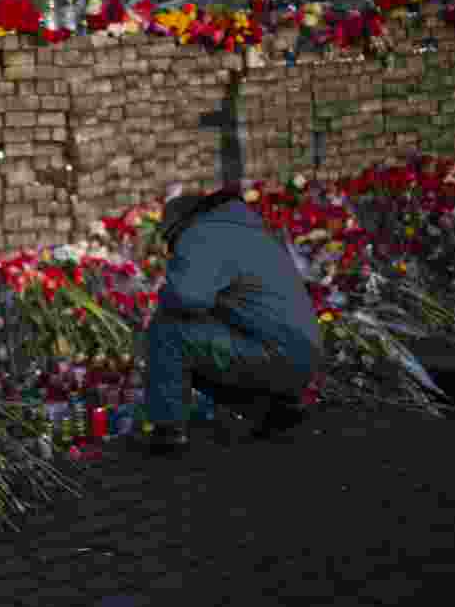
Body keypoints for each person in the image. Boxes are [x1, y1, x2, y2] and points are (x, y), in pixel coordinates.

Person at [136, 188, 323, 453]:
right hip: (302, 354)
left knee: (167, 329)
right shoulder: (244, 229)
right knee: (198, 333)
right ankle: (276, 408)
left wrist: (164, 290)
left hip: (276, 355)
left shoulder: (201, 235)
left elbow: (185, 298)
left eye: (171, 241)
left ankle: (168, 432)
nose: (173, 249)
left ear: (179, 226)